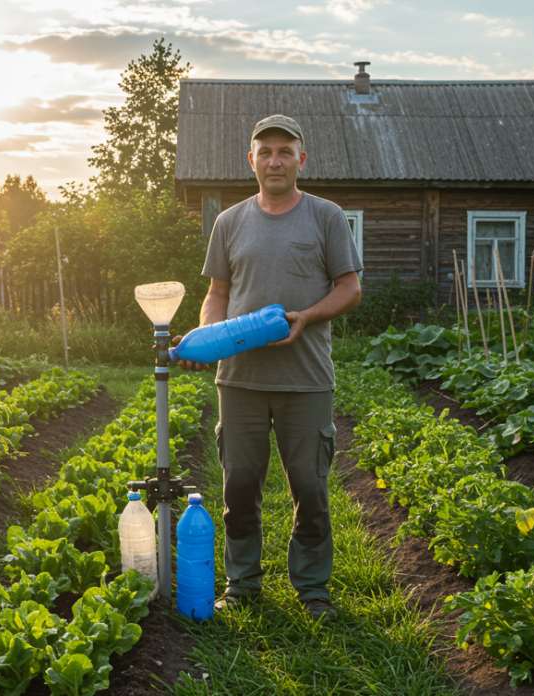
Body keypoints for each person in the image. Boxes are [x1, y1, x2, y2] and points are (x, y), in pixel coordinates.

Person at [175, 114, 362, 622]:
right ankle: (242, 585)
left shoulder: (326, 216)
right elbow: (216, 294)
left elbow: (350, 289)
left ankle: (312, 589)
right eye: (265, 151)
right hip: (239, 380)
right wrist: (207, 340)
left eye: (285, 151)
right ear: (251, 160)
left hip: (306, 378)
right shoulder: (230, 221)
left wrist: (307, 317)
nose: (275, 160)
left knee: (310, 486)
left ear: (301, 160)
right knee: (239, 487)